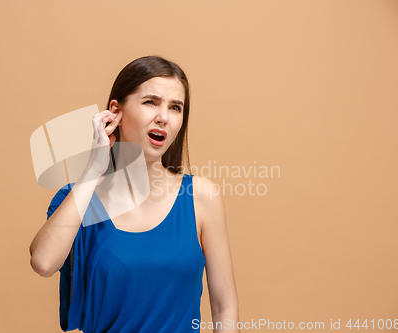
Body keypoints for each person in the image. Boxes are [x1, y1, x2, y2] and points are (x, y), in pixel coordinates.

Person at [29, 55, 240, 332]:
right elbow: (43, 262)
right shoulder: (79, 199)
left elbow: (225, 307)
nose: (163, 117)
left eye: (175, 107)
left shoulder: (200, 196)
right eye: (151, 102)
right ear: (115, 110)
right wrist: (93, 169)